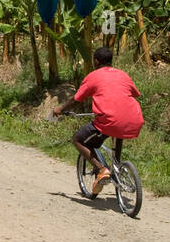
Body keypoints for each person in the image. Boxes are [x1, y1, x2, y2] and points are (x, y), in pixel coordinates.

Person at [53, 47, 144, 195]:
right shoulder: (123, 75)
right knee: (118, 130)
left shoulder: (93, 76)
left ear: (96, 61)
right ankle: (117, 168)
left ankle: (102, 169)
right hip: (134, 119)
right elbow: (135, 93)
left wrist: (60, 109)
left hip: (109, 120)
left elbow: (77, 99)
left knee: (77, 139)